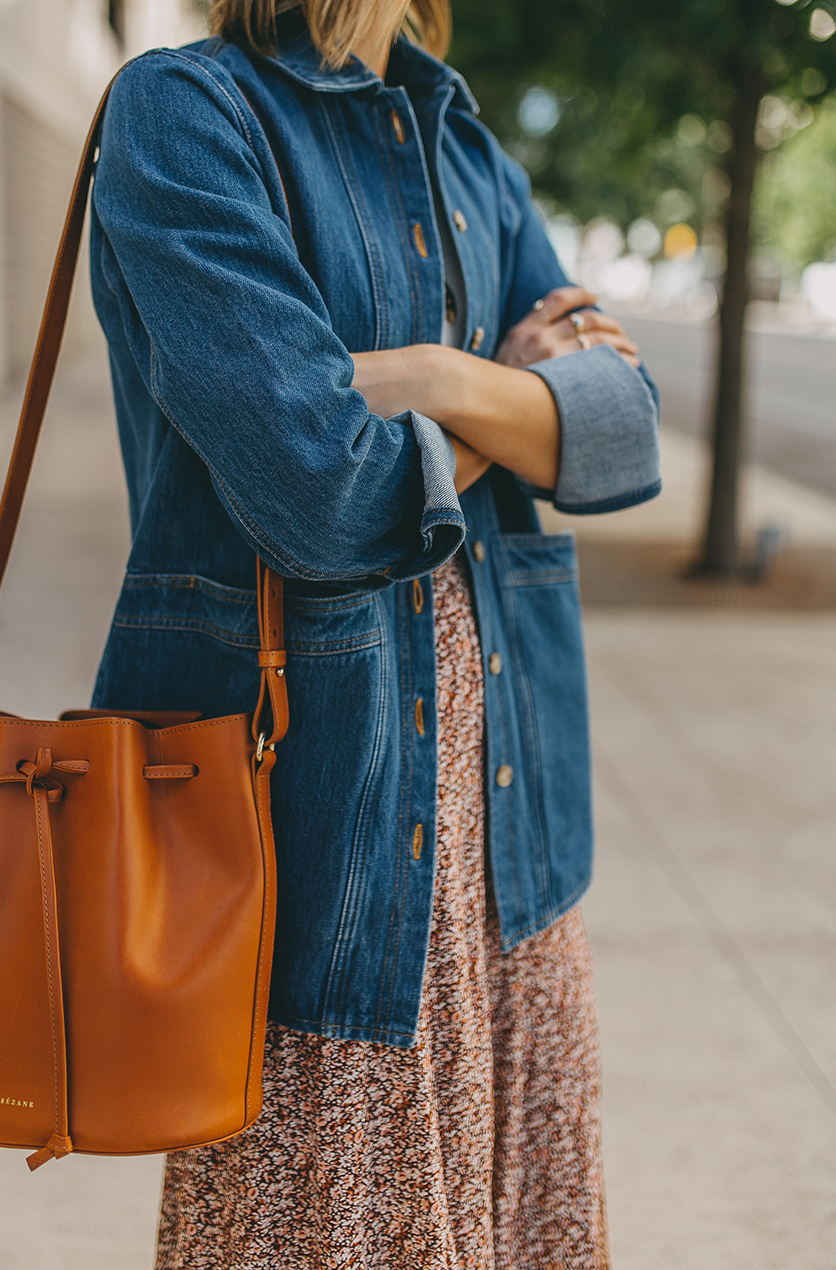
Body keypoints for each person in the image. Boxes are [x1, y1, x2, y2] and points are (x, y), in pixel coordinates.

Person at [89, 0, 659, 1265]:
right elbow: (327, 499)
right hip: (321, 828)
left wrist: (432, 380)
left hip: (512, 827)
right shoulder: (186, 117)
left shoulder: (466, 145)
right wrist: (519, 401)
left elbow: (621, 429)